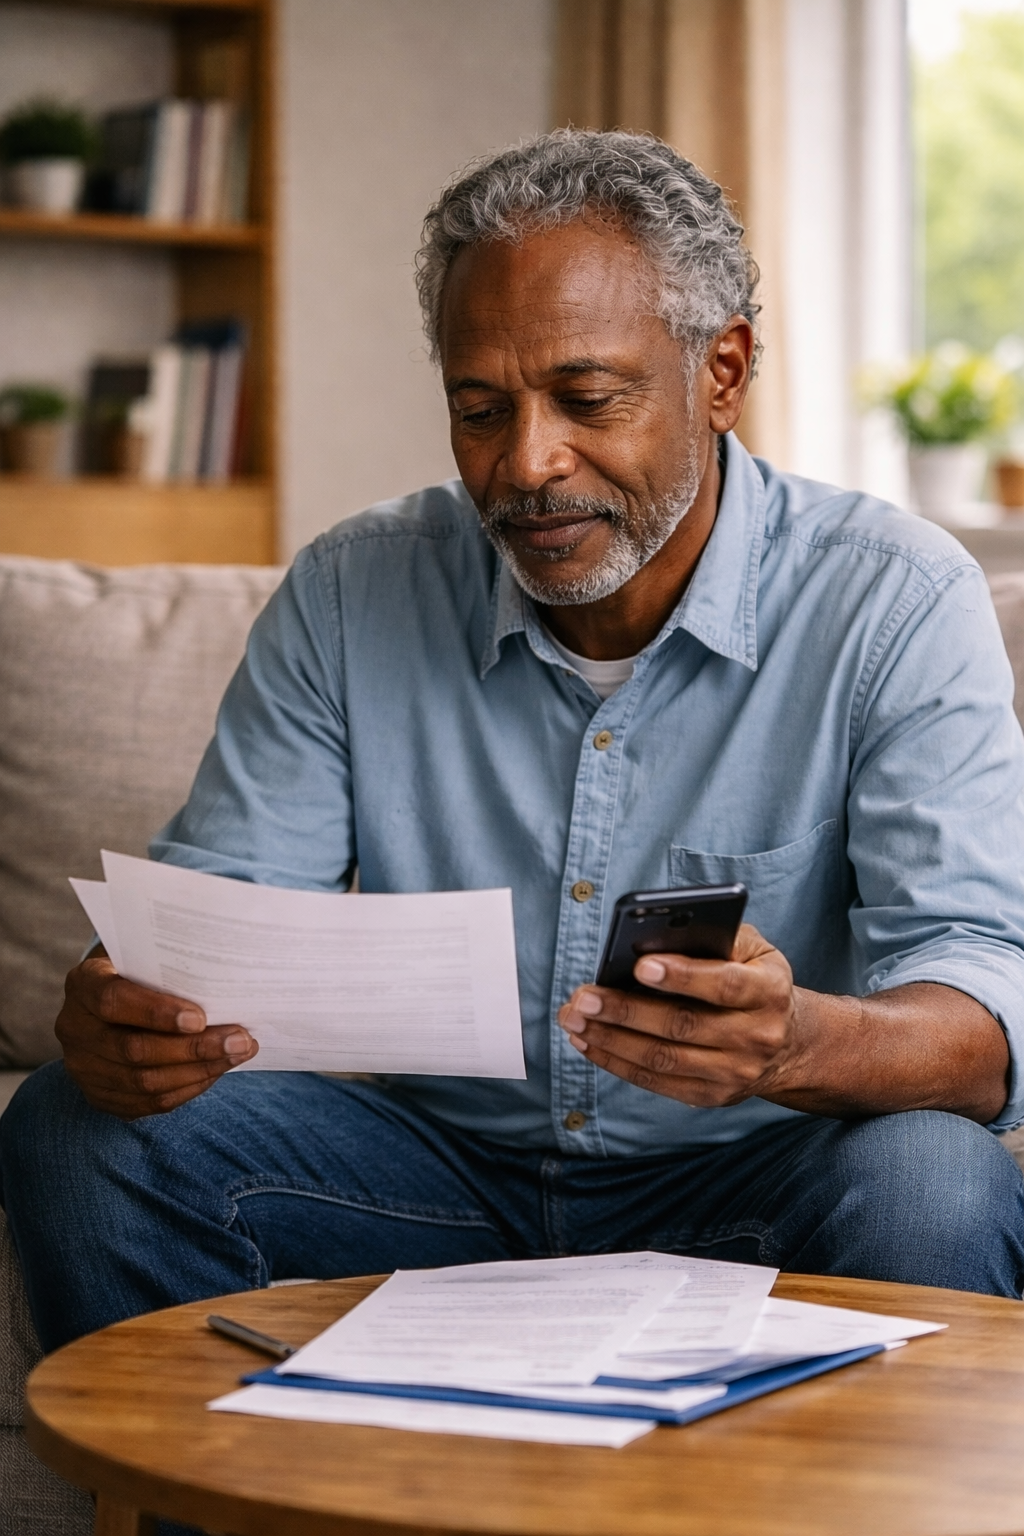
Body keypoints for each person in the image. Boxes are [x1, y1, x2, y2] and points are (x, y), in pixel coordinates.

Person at [5, 130, 1024, 1356]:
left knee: (936, 1181)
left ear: (723, 371)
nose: (527, 464)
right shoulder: (350, 591)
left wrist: (795, 1038)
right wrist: (135, 1022)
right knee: (74, 1127)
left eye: (587, 400)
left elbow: (982, 1010)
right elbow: (222, 927)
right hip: (428, 1185)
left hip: (758, 1187)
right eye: (479, 410)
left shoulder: (893, 598)